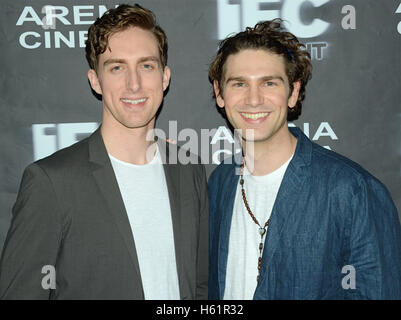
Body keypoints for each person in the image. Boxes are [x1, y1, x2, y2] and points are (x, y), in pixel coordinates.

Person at [0, 4, 208, 300]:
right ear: (95, 80)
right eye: (117, 67)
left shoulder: (188, 170)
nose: (133, 84)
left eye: (146, 65)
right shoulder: (51, 182)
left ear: (165, 77)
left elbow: (200, 286)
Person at [207, 19, 401, 299]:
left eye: (269, 83)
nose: (253, 99)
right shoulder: (220, 182)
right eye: (239, 84)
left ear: (293, 92)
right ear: (219, 93)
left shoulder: (352, 190)